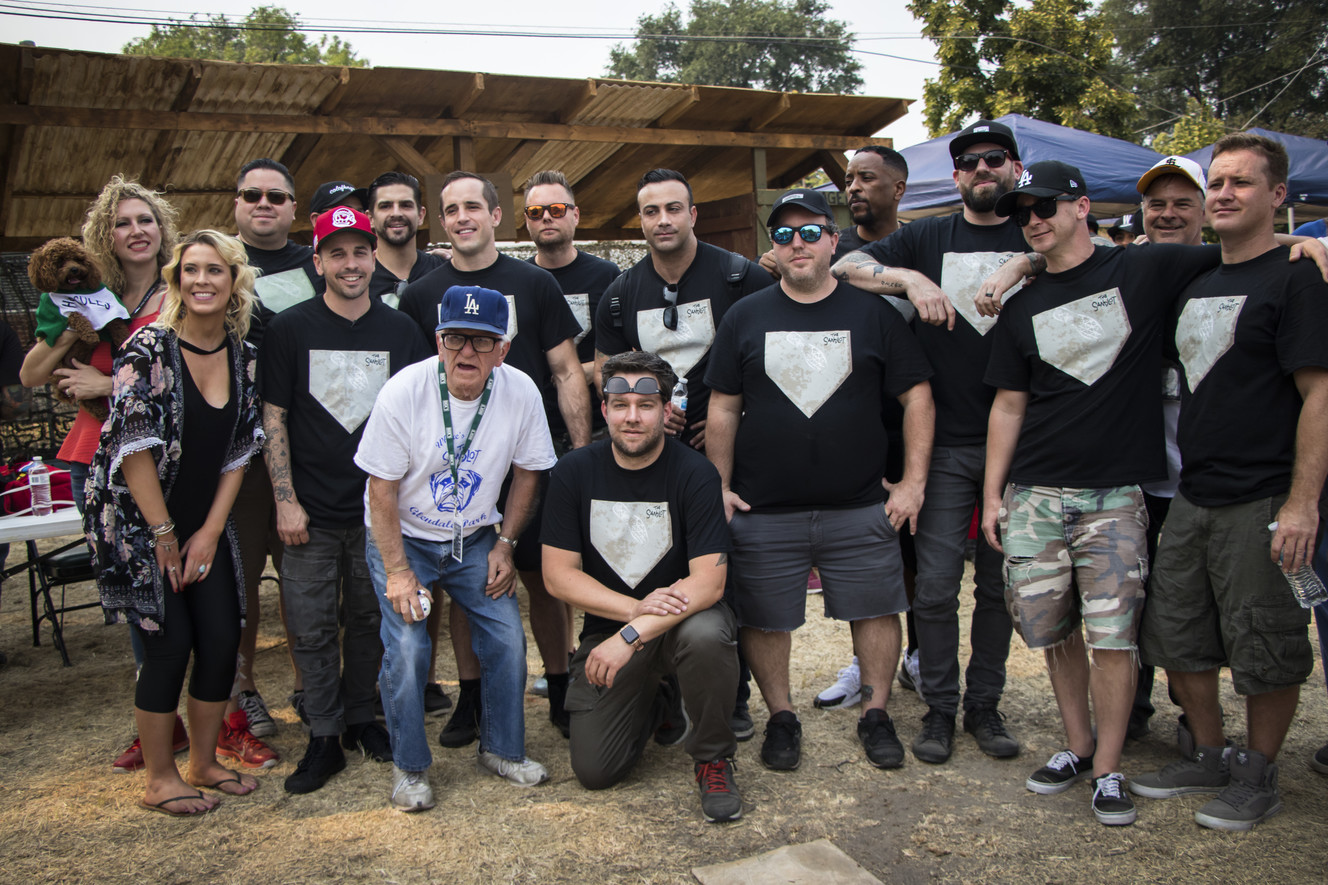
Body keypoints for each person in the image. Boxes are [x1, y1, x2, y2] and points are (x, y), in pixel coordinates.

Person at [977, 160, 1237, 827]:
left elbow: (1241, 251)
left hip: (1116, 495)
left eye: (1045, 207)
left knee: (1114, 637)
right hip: (1034, 491)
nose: (1033, 218)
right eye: (1022, 212)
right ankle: (1077, 745)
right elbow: (1009, 404)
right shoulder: (1022, 304)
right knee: (1053, 630)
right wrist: (992, 495)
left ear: (1082, 206)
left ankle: (1111, 767)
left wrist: (1309, 244)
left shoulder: (1142, 271)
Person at [1132, 134, 1328, 831]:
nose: (1222, 194)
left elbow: (1319, 395)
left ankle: (1258, 773)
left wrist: (1304, 503)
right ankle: (1208, 753)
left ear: (1279, 196)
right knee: (1176, 630)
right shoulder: (1197, 277)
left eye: (1241, 182)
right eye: (1217, 181)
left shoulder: (1297, 278)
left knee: (1265, 639)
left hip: (1266, 495)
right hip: (1193, 491)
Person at [706, 188, 935, 772]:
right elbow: (724, 409)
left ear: (835, 240)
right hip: (765, 507)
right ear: (772, 250)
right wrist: (719, 484)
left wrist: (912, 483)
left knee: (878, 610)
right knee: (764, 616)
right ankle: (781, 717)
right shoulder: (745, 316)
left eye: (811, 231)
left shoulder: (873, 314)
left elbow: (917, 396)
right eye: (783, 235)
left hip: (859, 504)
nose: (798, 244)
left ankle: (876, 713)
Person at [829, 120, 1030, 764]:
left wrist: (1295, 242)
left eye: (994, 159)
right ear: (954, 177)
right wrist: (912, 281)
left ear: (1015, 169)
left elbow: (1108, 255)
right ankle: (940, 709)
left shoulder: (1037, 229)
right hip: (944, 447)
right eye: (969, 162)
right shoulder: (928, 235)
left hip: (1022, 449)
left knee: (998, 589)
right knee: (938, 586)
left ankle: (984, 706)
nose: (981, 170)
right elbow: (848, 264)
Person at [397, 171, 590, 743]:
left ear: (496, 216)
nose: (462, 218)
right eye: (451, 209)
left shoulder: (534, 284)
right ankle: (473, 698)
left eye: (472, 207)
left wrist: (580, 456)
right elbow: (415, 384)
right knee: (469, 582)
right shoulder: (421, 295)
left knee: (543, 578)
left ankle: (559, 689)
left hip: (531, 456)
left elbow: (565, 370)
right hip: (456, 466)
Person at [84, 229, 265, 816]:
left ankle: (205, 762)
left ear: (233, 280)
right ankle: (161, 779)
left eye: (215, 270)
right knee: (169, 644)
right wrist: (164, 533)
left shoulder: (243, 355)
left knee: (219, 639)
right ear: (176, 281)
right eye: (190, 270)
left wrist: (211, 530)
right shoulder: (147, 351)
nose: (202, 280)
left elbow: (241, 450)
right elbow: (133, 449)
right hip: (141, 524)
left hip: (205, 521)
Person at [356, 284, 557, 811]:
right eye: (455, 338)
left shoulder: (522, 391)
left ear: (504, 348)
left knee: (508, 638)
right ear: (439, 339)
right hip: (404, 539)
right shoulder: (404, 390)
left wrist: (506, 545)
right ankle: (410, 770)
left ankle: (502, 750)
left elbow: (529, 470)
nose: (467, 352)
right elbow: (381, 489)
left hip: (476, 539)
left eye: (482, 341)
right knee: (407, 646)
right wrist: (398, 571)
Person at [260, 208, 432, 794]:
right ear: (318, 263)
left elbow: (417, 420)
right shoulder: (289, 329)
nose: (350, 263)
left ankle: (364, 719)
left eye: (360, 251)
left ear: (373, 257)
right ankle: (324, 735)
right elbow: (274, 417)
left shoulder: (400, 332)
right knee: (309, 628)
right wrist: (285, 499)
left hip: (377, 513)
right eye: (337, 253)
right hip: (308, 513)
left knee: (368, 622)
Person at [19, 175, 183, 773]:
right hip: (98, 457)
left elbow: (181, 381)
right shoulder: (88, 295)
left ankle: (226, 709)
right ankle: (161, 721)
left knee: (189, 588)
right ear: (104, 237)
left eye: (145, 220)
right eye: (123, 222)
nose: (136, 231)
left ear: (162, 228)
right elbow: (33, 374)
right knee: (136, 593)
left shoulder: (180, 292)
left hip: (167, 457)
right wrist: (73, 328)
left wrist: (102, 383)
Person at [542, 350, 741, 823]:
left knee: (707, 634)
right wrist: (631, 613)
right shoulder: (574, 472)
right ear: (604, 408)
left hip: (682, 625)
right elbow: (557, 575)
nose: (632, 417)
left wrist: (634, 633)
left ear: (666, 410)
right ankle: (658, 701)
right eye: (620, 403)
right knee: (594, 770)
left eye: (646, 405)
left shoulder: (696, 473)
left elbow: (709, 584)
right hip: (610, 632)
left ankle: (713, 758)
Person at [593, 169, 774, 453]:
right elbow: (606, 374)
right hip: (655, 457)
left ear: (692, 215)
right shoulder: (618, 295)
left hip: (737, 455)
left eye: (673, 209)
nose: (663, 220)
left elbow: (777, 359)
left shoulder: (742, 278)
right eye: (651, 211)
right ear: (641, 221)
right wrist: (646, 414)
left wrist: (736, 415)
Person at [1126, 155, 1210, 741]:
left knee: (1193, 603)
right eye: (1157, 204)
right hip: (1139, 476)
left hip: (1209, 480)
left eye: (1183, 202)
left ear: (1205, 211)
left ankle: (1195, 716)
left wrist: (1300, 241)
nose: (1169, 213)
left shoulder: (1229, 271)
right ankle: (1131, 708)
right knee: (1130, 597)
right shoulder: (1126, 271)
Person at [228, 156, 310, 744]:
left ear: (292, 208)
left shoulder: (318, 264)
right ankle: (241, 693)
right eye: (252, 195)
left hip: (301, 451)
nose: (264, 203)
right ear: (236, 204)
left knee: (303, 584)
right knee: (237, 584)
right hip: (230, 453)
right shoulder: (214, 266)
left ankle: (312, 687)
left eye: (276, 196)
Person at [366, 171, 447, 307]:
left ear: (421, 215)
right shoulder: (360, 278)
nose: (396, 213)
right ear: (370, 219)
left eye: (405, 205)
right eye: (385, 206)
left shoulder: (444, 271)